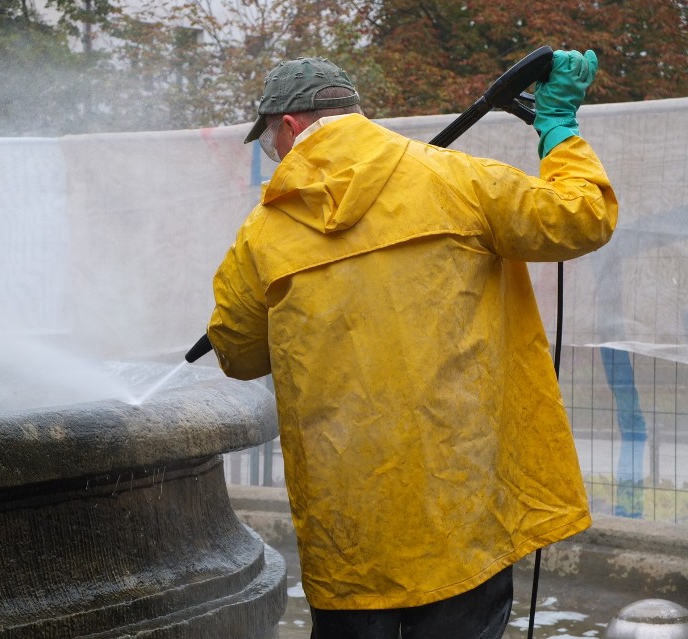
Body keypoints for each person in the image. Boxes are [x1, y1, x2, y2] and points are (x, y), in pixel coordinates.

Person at [205, 51, 617, 638]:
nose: (274, 153)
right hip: (463, 512)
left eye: (270, 139)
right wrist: (559, 130)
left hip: (346, 531)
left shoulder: (262, 234)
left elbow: (238, 355)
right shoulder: (458, 180)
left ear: (291, 125)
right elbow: (583, 217)